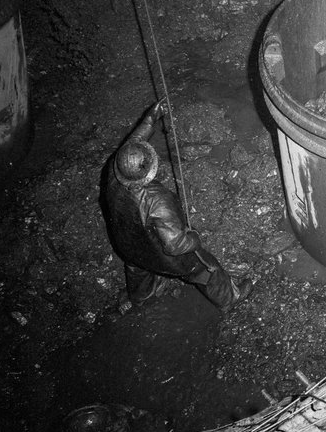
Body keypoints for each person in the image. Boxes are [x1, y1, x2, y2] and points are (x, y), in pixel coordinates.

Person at [104, 100, 251, 310]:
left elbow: (132, 144)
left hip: (127, 245)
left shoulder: (114, 169)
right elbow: (175, 245)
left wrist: (150, 118)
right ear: (148, 171)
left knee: (137, 270)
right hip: (161, 256)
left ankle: (138, 299)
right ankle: (231, 298)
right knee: (206, 269)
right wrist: (194, 238)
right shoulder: (156, 199)